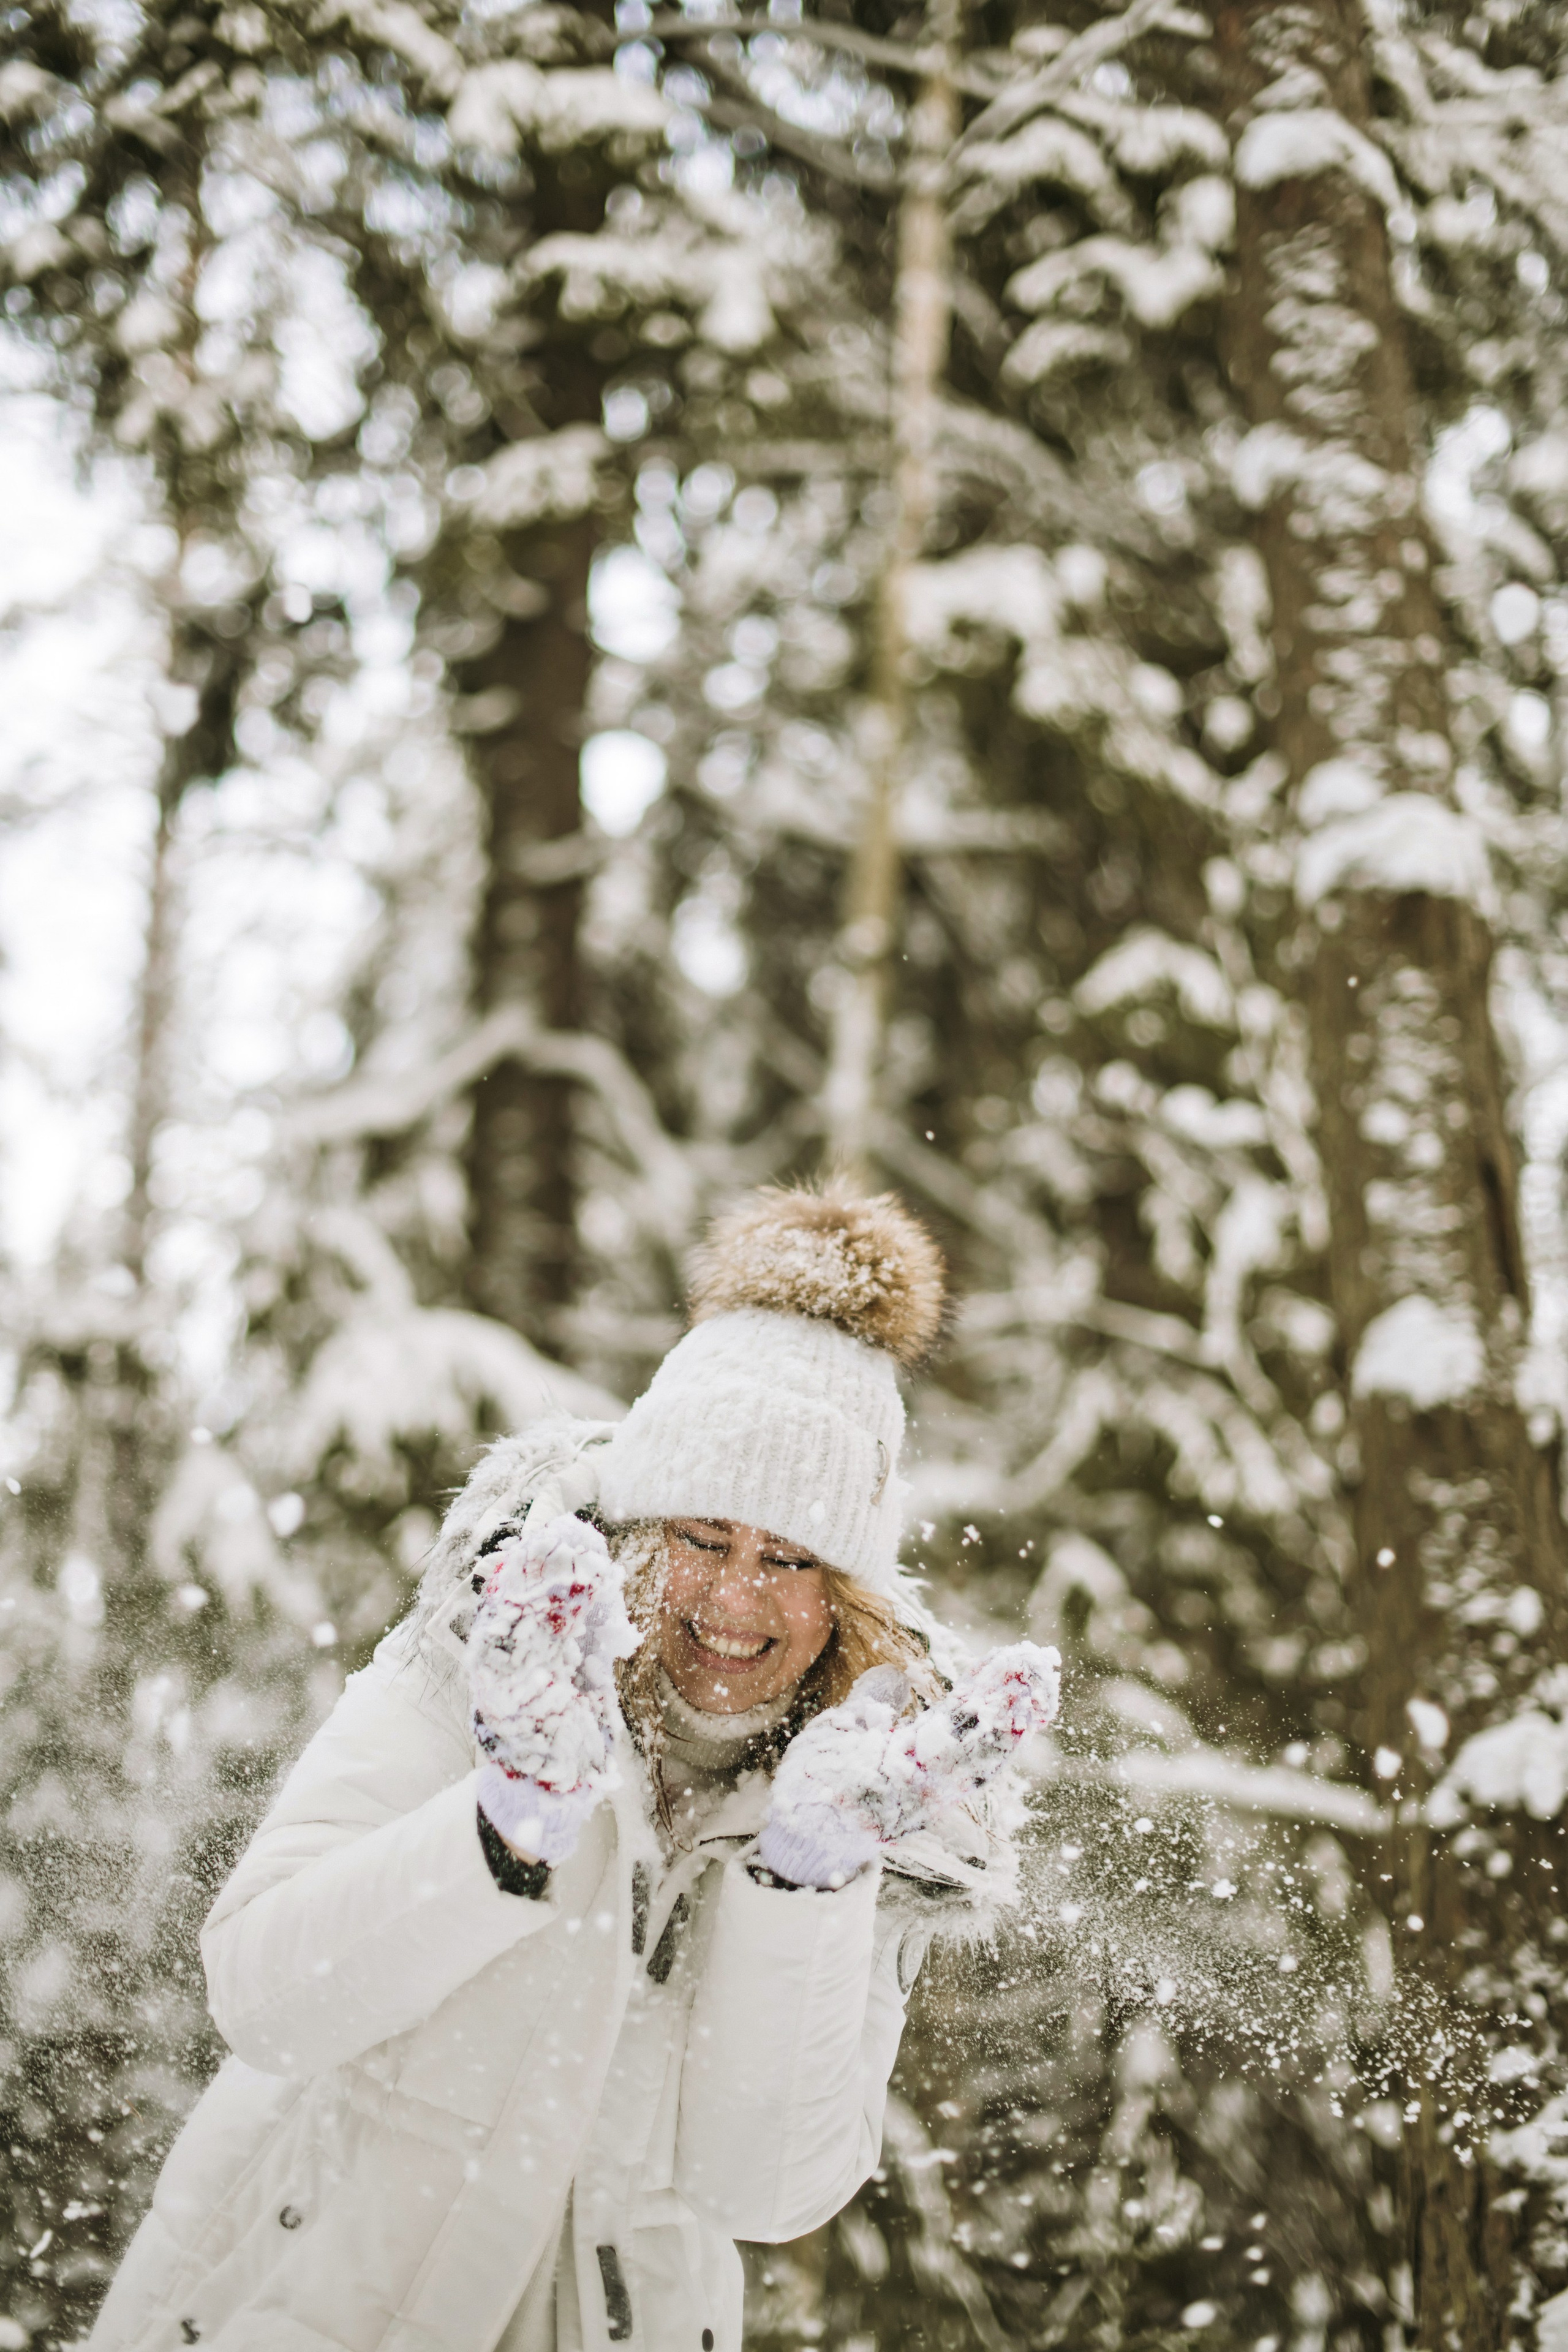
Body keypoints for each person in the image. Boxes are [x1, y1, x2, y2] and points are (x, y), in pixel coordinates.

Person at [89, 1185, 1058, 2352]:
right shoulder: (478, 1659)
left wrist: (805, 1888)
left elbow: (766, 2189)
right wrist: (499, 1832)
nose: (736, 1601)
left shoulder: (874, 1796)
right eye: (702, 1537)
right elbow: (263, 1997)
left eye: (791, 1560)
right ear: (638, 1527)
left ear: (844, 1594)